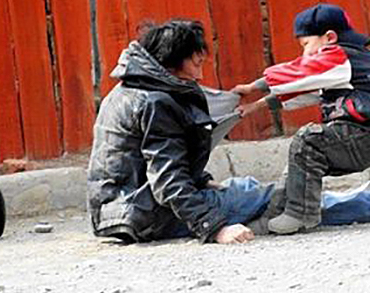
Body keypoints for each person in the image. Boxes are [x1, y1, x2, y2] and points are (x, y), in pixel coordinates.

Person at [232, 3, 370, 235]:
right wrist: (255, 106)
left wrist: (253, 86)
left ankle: (300, 214)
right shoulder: (348, 65)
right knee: (297, 163)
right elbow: (305, 91)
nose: (305, 54)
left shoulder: (341, 56)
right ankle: (272, 217)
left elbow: (300, 72)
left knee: (307, 141)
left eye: (306, 45)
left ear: (330, 38)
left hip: (366, 135)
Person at [87, 19, 271, 244]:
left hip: (116, 212)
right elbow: (167, 179)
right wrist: (214, 228)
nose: (200, 75)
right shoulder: (155, 103)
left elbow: (143, 159)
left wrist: (200, 180)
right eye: (196, 64)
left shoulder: (122, 92)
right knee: (260, 195)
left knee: (243, 188)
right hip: (146, 215)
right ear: (172, 61)